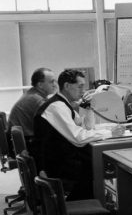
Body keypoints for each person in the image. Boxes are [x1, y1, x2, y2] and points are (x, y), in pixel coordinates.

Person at [33, 69, 124, 200]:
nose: (83, 91)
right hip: (56, 164)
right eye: (80, 86)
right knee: (98, 164)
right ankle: (92, 206)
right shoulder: (56, 106)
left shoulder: (63, 103)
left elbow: (86, 127)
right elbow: (79, 138)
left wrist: (88, 107)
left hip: (61, 157)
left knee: (94, 160)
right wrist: (110, 133)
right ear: (67, 86)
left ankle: (95, 204)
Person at [8, 67, 58, 150]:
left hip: (22, 141)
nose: (55, 85)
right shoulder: (36, 99)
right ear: (40, 85)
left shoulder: (33, 94)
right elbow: (55, 122)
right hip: (27, 143)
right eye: (51, 82)